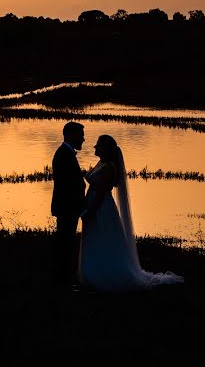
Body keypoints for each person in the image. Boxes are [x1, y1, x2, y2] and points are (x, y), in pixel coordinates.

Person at [79, 135, 184, 292]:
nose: (95, 147)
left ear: (106, 148)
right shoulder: (102, 163)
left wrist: (91, 211)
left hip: (101, 208)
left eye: (98, 145)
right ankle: (91, 272)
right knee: (95, 238)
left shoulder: (109, 167)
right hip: (93, 203)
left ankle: (102, 274)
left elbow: (101, 193)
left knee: (102, 238)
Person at [50, 121, 86, 286]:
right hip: (67, 208)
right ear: (71, 135)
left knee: (66, 244)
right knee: (65, 245)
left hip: (68, 208)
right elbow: (68, 186)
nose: (83, 140)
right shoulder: (64, 154)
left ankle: (63, 278)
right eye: (81, 136)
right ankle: (63, 280)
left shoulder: (66, 153)